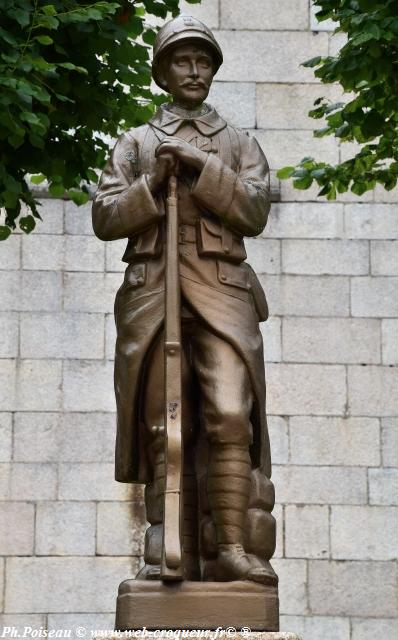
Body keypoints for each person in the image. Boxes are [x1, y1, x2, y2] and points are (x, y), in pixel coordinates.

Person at [92, 15, 277, 585]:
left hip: (222, 291)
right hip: (154, 293)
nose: (194, 71)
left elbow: (253, 209)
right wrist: (152, 185)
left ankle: (232, 550)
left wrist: (203, 166)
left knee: (228, 415)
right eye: (182, 61)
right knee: (161, 423)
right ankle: (163, 549)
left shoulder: (239, 142)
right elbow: (105, 216)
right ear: (163, 72)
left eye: (203, 61)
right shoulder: (137, 142)